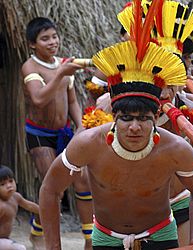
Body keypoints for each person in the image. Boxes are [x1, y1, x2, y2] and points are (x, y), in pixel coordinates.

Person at [39, 2, 193, 249]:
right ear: (114, 116)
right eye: (126, 118)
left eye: (143, 119)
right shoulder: (88, 143)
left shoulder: (175, 148)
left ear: (155, 118)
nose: (134, 127)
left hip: (161, 235)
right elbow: (50, 190)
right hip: (107, 238)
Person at [21, 17, 93, 249]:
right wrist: (61, 72)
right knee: (54, 188)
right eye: (45, 39)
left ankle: (90, 240)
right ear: (33, 44)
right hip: (40, 135)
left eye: (54, 36)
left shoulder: (63, 65)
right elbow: (39, 99)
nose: (52, 42)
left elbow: (71, 101)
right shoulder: (30, 67)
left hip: (65, 132)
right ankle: (38, 234)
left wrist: (80, 125)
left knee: (82, 181)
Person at [0, 165, 39, 250]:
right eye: (3, 184)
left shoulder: (16, 197)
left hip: (5, 240)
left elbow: (30, 206)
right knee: (20, 248)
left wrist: (45, 211)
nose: (9, 185)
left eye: (11, 181)